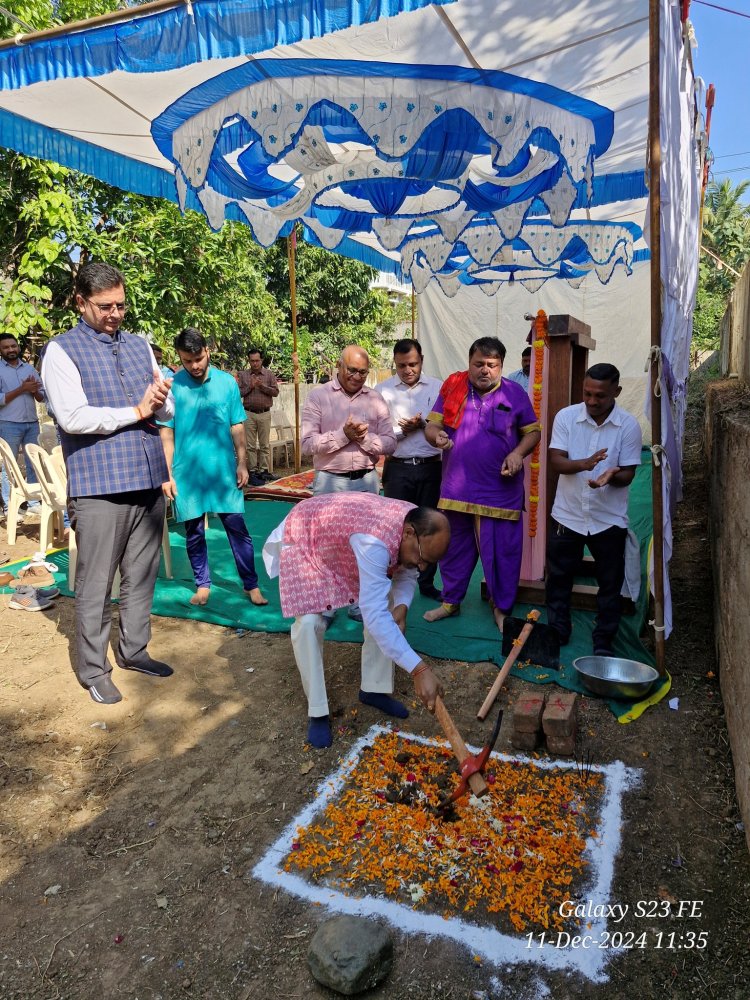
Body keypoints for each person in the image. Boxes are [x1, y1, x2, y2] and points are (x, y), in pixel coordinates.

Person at [41, 262, 174, 705]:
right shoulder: (61, 351)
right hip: (99, 488)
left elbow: (165, 411)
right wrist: (135, 412)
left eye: (121, 305)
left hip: (147, 481)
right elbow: (72, 417)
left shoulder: (140, 346)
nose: (115, 314)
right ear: (81, 302)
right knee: (96, 584)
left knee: (141, 577)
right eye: (105, 307)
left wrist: (161, 401)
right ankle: (94, 669)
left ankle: (134, 651)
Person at [262, 493, 449, 747]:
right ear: (407, 534)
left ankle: (373, 688)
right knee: (308, 624)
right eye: (423, 558)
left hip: (342, 540)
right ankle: (317, 711)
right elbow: (373, 615)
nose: (424, 567)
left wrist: (402, 607)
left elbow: (408, 572)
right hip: (307, 539)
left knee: (389, 612)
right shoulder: (375, 542)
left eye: (430, 563)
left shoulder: (417, 522)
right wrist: (419, 669)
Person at [423, 336, 541, 631]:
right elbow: (432, 425)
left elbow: (533, 433)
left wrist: (517, 453)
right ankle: (450, 602)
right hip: (457, 489)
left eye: (492, 365)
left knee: (502, 553)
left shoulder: (515, 394)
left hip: (499, 491)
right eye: (479, 364)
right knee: (454, 549)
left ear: (501, 366)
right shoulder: (453, 388)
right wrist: (434, 436)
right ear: (469, 363)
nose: (484, 370)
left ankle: (501, 608)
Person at [160, 328, 267, 608]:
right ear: (180, 359)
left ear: (207, 351)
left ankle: (251, 585)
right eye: (187, 361)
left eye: (198, 358)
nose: (194, 365)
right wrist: (168, 475)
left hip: (222, 471)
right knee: (194, 532)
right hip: (187, 473)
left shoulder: (227, 383)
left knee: (237, 528)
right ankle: (202, 584)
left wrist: (242, 463)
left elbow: (236, 424)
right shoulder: (173, 387)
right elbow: (167, 433)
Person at [545, 363, 642, 655]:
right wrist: (585, 464)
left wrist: (611, 476)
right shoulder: (566, 417)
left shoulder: (628, 426)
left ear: (617, 391)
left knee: (609, 585)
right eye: (587, 393)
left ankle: (603, 642)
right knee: (559, 578)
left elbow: (628, 474)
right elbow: (556, 461)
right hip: (568, 514)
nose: (591, 401)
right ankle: (558, 631)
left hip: (607, 520)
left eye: (600, 395)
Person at [301, 345, 396, 622]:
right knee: (326, 545)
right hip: (330, 482)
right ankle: (328, 604)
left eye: (363, 372)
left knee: (367, 547)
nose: (357, 376)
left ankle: (359, 604)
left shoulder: (376, 400)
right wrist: (343, 435)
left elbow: (390, 443)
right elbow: (307, 445)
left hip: (366, 481)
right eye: (351, 370)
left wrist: (363, 440)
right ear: (338, 367)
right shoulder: (318, 397)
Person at [375, 338, 443, 602]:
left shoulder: (438, 387)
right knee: (396, 527)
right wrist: (404, 429)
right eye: (402, 365)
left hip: (431, 468)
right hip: (398, 468)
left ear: (421, 360)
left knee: (429, 526)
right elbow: (379, 436)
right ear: (395, 363)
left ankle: (426, 583)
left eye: (413, 364)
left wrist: (424, 423)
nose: (408, 370)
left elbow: (444, 426)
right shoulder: (382, 391)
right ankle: (393, 578)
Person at [0, 333, 45, 515]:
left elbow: (42, 397)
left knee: (34, 462)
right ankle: (11, 506)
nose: (11, 350)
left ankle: (34, 504)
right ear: (0, 350)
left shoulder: (29, 369)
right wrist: (22, 389)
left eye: (13, 346)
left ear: (18, 347)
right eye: (6, 347)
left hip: (32, 423)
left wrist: (34, 391)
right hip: (8, 423)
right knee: (8, 465)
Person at [237, 348, 279, 487]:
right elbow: (239, 394)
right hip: (248, 412)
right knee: (250, 445)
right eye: (252, 361)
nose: (254, 363)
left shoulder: (269, 374)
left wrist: (262, 386)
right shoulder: (243, 375)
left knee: (264, 444)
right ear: (248, 361)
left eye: (257, 360)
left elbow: (275, 392)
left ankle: (264, 470)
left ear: (261, 360)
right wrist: (251, 386)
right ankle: (253, 471)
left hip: (265, 412)